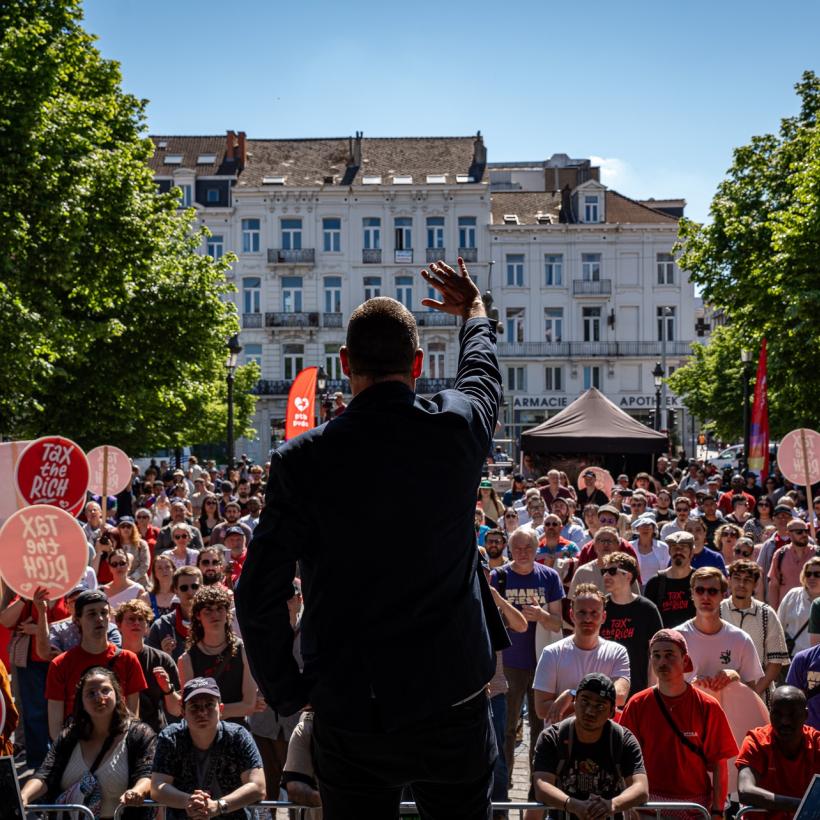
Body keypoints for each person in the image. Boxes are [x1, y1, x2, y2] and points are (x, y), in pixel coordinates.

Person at [236, 259, 508, 818]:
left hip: (351, 706)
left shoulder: (300, 461)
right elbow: (481, 377)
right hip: (450, 698)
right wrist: (474, 314)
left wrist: (292, 693)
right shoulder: (455, 430)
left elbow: (256, 593)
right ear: (415, 363)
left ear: (344, 365)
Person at [620, 629, 738, 814]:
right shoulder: (636, 704)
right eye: (656, 656)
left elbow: (719, 764)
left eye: (669, 655)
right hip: (648, 809)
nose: (662, 662)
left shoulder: (707, 706)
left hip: (695, 809)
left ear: (685, 660)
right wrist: (630, 808)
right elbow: (625, 760)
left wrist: (717, 810)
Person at [22, 667, 156, 819]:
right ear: (81, 702)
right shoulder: (69, 737)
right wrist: (23, 796)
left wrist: (137, 791)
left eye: (105, 690)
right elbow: (45, 774)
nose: (99, 697)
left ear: (118, 695)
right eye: (91, 693)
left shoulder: (140, 735)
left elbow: (147, 774)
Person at [490, 526, 564, 789]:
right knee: (507, 728)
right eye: (517, 548)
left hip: (543, 662)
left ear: (537, 549)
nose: (522, 553)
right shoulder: (498, 577)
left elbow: (559, 623)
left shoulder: (549, 577)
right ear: (510, 549)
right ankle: (505, 783)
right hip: (508, 663)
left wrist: (541, 616)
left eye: (528, 548)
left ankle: (537, 785)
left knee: (541, 728)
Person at [531, 673, 648, 820]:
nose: (590, 711)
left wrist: (611, 805)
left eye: (600, 706)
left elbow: (641, 788)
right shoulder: (552, 738)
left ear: (612, 712)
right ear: (574, 702)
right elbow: (541, 786)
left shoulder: (623, 740)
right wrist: (574, 806)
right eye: (584, 701)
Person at [151, 676, 266, 819]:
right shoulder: (170, 738)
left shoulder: (238, 736)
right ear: (183, 710)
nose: (202, 712)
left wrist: (219, 806)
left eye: (210, 705)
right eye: (194, 706)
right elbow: (157, 787)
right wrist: (189, 801)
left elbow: (258, 787)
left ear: (221, 708)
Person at [45, 590, 147, 741]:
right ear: (77, 620)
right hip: (76, 749)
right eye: (91, 614)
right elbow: (55, 727)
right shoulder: (60, 664)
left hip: (118, 748)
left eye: (104, 612)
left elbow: (133, 717)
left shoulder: (128, 660)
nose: (99, 618)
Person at [533, 585, 630, 724]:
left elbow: (619, 696)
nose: (588, 619)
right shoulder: (552, 653)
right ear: (572, 615)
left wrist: (571, 696)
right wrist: (597, 702)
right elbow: (542, 709)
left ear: (603, 617)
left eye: (594, 613)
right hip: (561, 738)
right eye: (582, 612)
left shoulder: (617, 652)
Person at [736, 686, 820, 818]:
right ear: (770, 713)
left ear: (805, 715)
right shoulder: (756, 741)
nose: (785, 721)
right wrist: (803, 806)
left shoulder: (817, 743)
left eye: (792, 714)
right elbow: (745, 791)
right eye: (777, 714)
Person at [178, 586, 257, 724]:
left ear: (227, 613)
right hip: (203, 736)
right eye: (208, 610)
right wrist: (227, 710)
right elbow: (189, 708)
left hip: (237, 733)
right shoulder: (187, 660)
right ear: (198, 616)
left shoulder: (244, 650)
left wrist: (210, 712)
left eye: (220, 608)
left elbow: (249, 705)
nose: (215, 614)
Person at [678, 567, 765, 693]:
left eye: (712, 591)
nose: (705, 596)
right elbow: (663, 686)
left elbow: (751, 691)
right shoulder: (678, 637)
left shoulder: (741, 639)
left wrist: (736, 678)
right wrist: (692, 685)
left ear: (723, 595)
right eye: (699, 590)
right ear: (692, 594)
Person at [720, 559, 789, 705]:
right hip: (721, 693)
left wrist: (754, 693)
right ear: (729, 581)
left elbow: (775, 662)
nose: (741, 584)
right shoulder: (718, 611)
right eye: (737, 579)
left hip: (760, 695)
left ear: (756, 584)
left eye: (747, 580)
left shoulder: (767, 614)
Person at [599, 552, 663, 696]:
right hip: (602, 690)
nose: (606, 576)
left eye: (612, 571)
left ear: (628, 576)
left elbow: (656, 652)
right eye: (604, 572)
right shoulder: (600, 606)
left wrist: (651, 690)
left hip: (638, 689)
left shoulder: (647, 609)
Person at [115, 599, 182, 732]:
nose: (136, 623)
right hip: (116, 733)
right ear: (118, 625)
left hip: (154, 735)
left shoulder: (162, 660)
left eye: (141, 619)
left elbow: (177, 710)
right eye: (131, 619)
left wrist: (168, 689)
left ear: (147, 626)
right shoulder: (110, 659)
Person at [146, 566, 202, 661]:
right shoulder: (161, 626)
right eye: (184, 588)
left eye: (195, 586)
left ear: (202, 587)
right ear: (175, 590)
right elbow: (150, 663)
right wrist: (164, 655)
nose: (190, 591)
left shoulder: (213, 621)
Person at [644, 531, 698, 629]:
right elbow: (647, 618)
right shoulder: (655, 583)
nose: (678, 552)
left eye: (683, 548)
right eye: (674, 548)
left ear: (692, 552)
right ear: (669, 551)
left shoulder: (699, 580)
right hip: (664, 641)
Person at [767, 517, 820, 610]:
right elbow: (774, 585)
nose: (804, 534)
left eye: (806, 531)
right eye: (799, 532)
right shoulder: (780, 554)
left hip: (813, 608)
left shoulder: (817, 553)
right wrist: (774, 611)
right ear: (789, 534)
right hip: (787, 610)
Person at [778, 555, 820, 657]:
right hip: (792, 658)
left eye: (817, 574)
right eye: (808, 574)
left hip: (817, 660)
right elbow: (778, 626)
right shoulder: (793, 594)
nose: (811, 578)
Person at [102, 548, 146, 615]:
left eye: (122, 563)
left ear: (128, 565)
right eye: (114, 564)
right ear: (110, 568)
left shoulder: (138, 590)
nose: (118, 567)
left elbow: (142, 616)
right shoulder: (102, 590)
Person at [629, 515, 669, 588]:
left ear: (653, 529)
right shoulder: (630, 546)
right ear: (637, 528)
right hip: (635, 588)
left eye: (648, 526)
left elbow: (667, 569)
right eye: (642, 525)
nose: (645, 528)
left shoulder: (663, 547)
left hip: (658, 587)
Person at [116, 517, 151, 588]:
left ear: (133, 528)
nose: (126, 529)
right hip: (121, 584)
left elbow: (145, 564)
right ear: (119, 529)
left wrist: (132, 577)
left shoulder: (141, 544)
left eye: (129, 526)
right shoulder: (116, 544)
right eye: (123, 526)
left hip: (140, 583)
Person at [145, 552, 177, 619]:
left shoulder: (182, 594)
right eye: (159, 568)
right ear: (155, 573)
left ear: (173, 570)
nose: (164, 570)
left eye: (167, 567)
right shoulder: (146, 598)